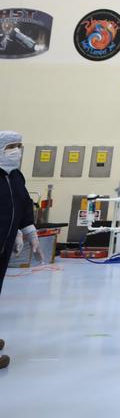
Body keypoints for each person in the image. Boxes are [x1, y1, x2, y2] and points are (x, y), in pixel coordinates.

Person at [1, 130, 40, 370]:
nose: (16, 151)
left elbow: (23, 205)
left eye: (19, 145)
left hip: (4, 244)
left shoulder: (15, 176)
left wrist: (27, 232)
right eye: (11, 146)